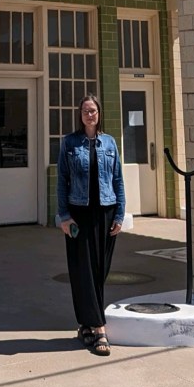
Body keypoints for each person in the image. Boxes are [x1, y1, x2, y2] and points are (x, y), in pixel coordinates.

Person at [56, 93, 125, 357]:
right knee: (80, 270)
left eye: (93, 110)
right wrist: (64, 216)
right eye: (85, 111)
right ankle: (98, 328)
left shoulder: (109, 143)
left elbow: (118, 179)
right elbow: (62, 180)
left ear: (99, 113)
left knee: (98, 271)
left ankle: (85, 322)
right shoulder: (70, 143)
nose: (89, 115)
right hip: (78, 214)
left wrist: (119, 214)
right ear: (80, 114)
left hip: (105, 212)